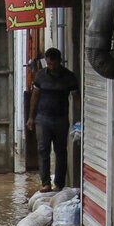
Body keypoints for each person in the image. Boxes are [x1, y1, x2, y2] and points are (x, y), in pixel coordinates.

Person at [26, 47, 80, 191]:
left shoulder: (69, 77)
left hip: (61, 119)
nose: (51, 67)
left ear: (59, 61)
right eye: (49, 64)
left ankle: (59, 184)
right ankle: (45, 183)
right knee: (43, 150)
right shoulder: (40, 76)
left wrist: (82, 119)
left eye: (53, 64)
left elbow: (76, 98)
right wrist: (31, 117)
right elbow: (35, 96)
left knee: (60, 151)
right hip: (43, 119)